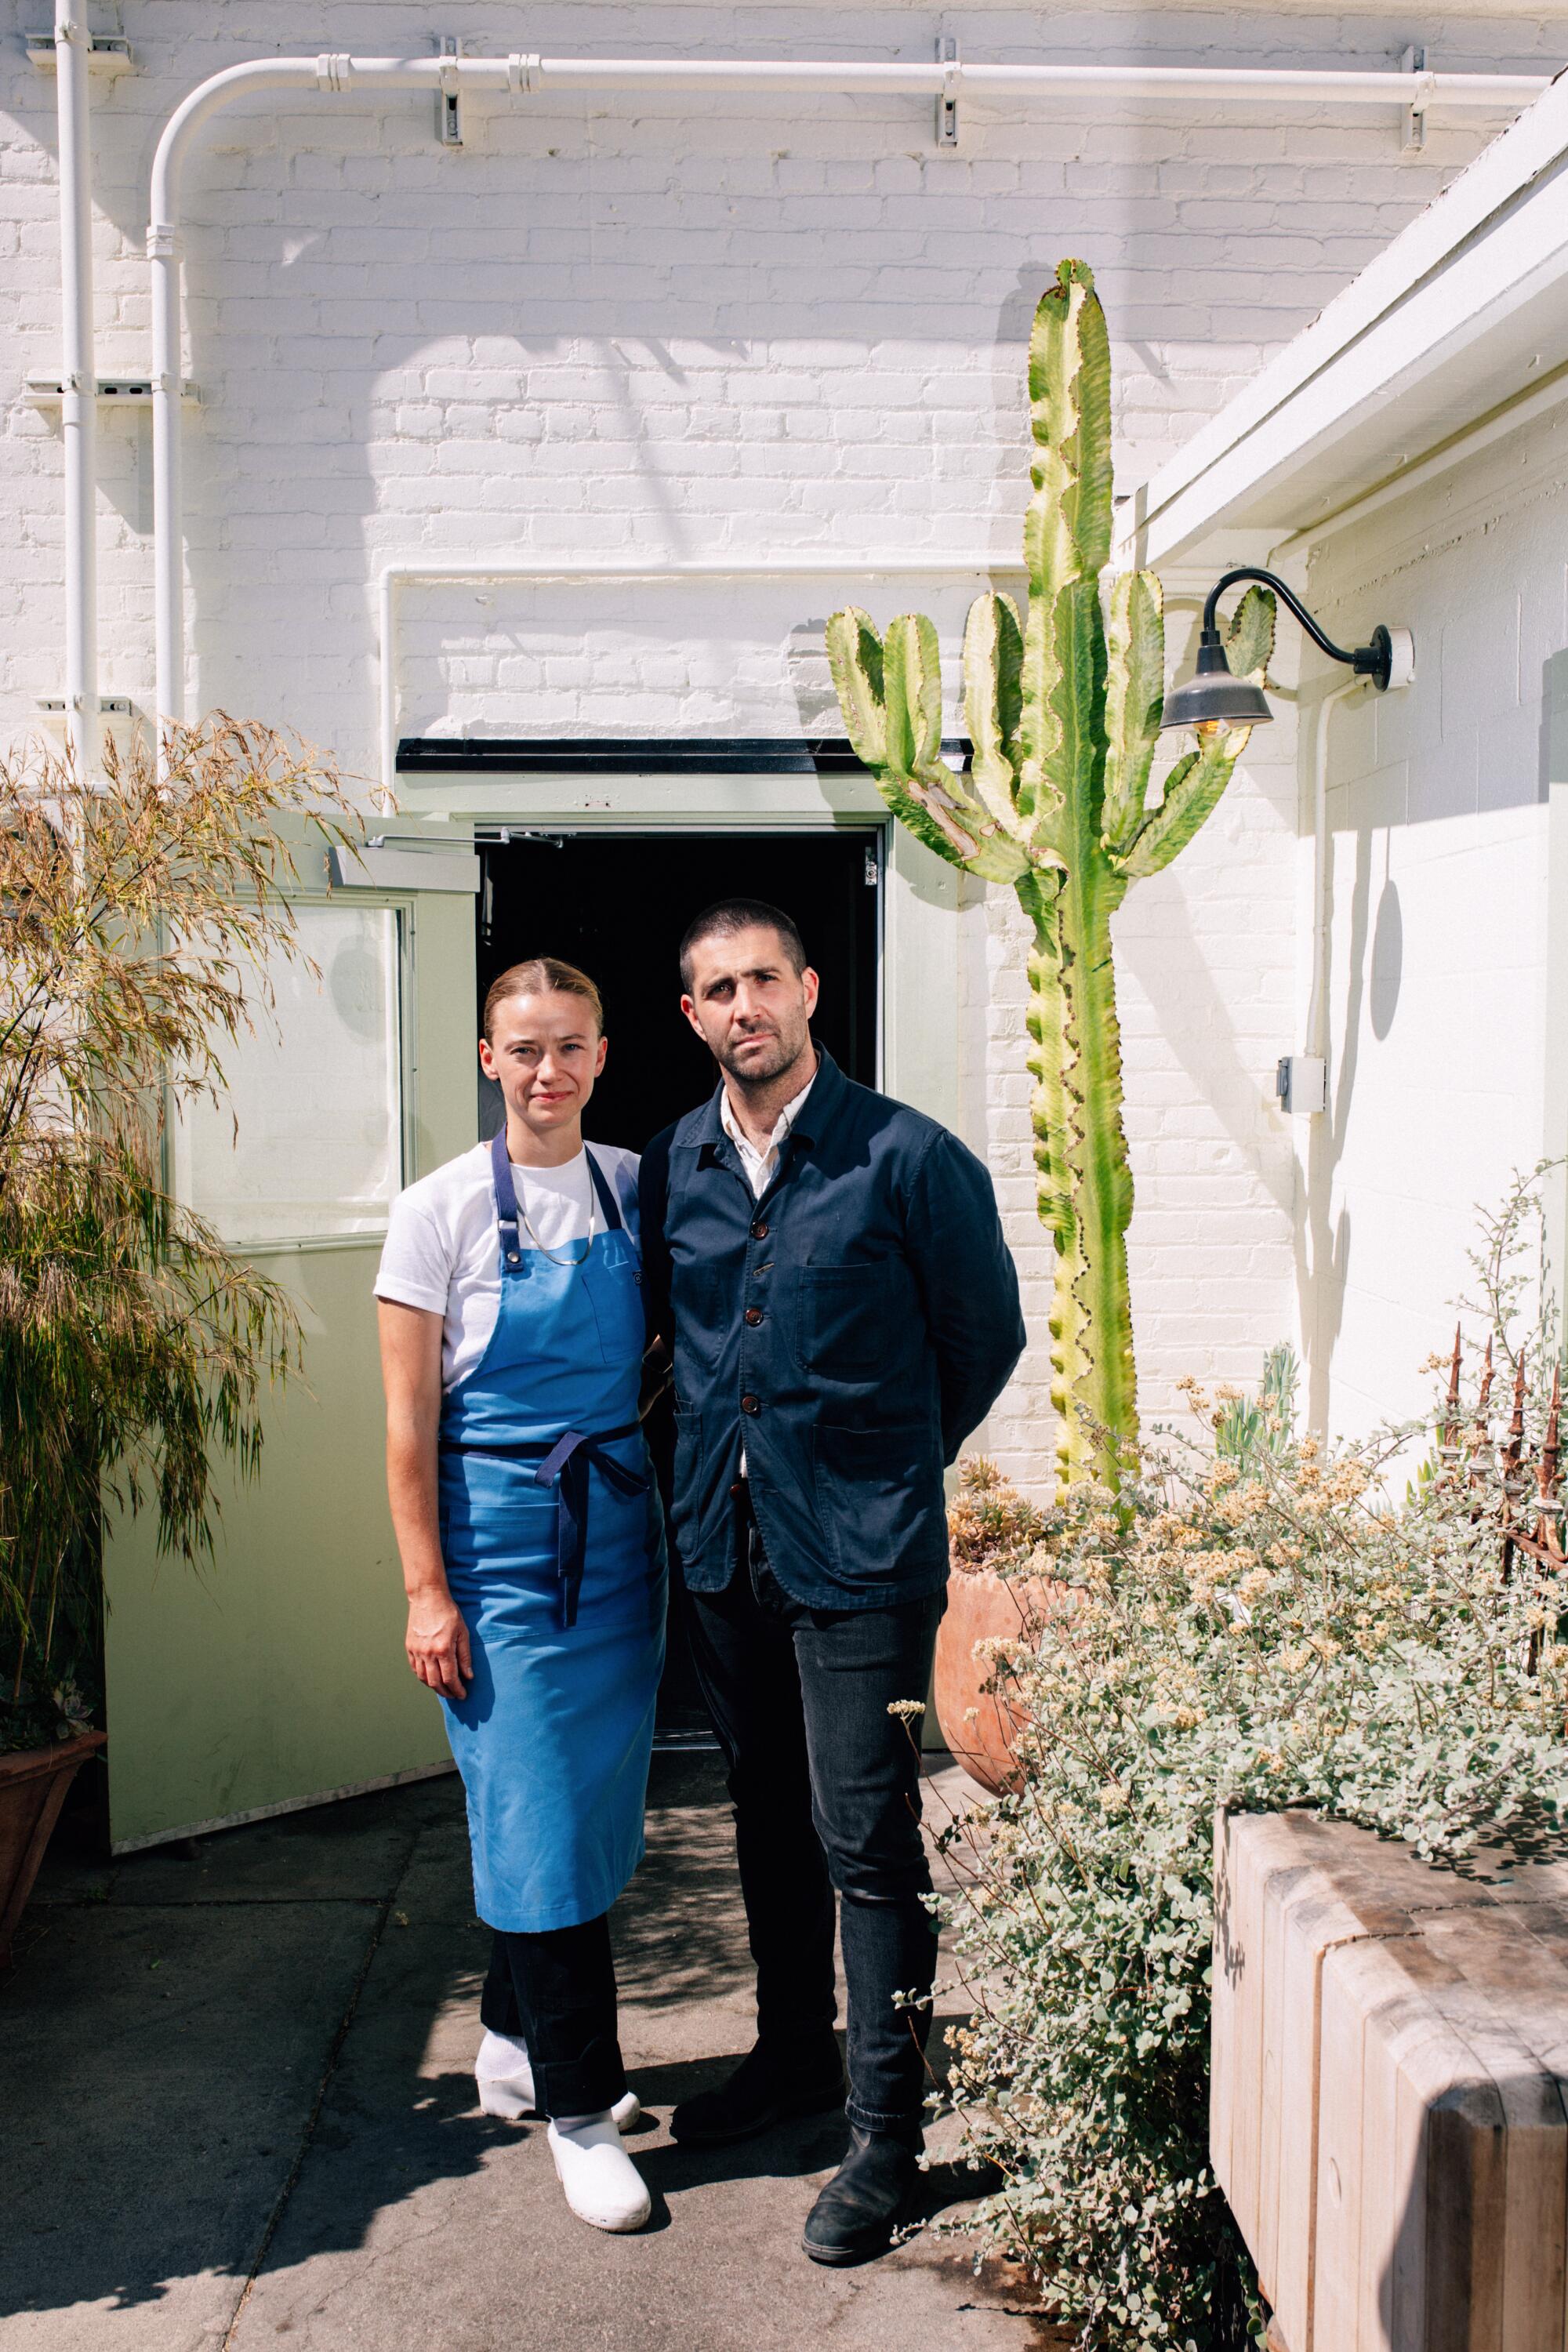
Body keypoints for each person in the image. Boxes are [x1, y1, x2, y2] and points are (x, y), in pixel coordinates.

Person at [638, 898, 1026, 2264]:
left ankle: (886, 2140)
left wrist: (879, 1466)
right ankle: (795, 2056)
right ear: (691, 1017)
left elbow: (981, 1339)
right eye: (715, 991)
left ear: (808, 991)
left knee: (867, 1840)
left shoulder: (908, 1158)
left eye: (763, 981)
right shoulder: (673, 1165)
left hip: (861, 1553)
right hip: (722, 1544)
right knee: (762, 1812)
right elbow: (670, 1345)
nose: (743, 1007)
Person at [376, 956, 666, 2235]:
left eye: (571, 1048)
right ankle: (581, 2112)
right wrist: (424, 1591)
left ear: (603, 1056)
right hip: (499, 1555)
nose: (548, 1072)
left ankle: (509, 2038)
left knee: (580, 1812)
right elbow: (404, 1428)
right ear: (488, 1060)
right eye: (524, 1050)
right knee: (536, 1805)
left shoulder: (634, 1189)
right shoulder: (434, 1212)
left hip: (620, 1542)